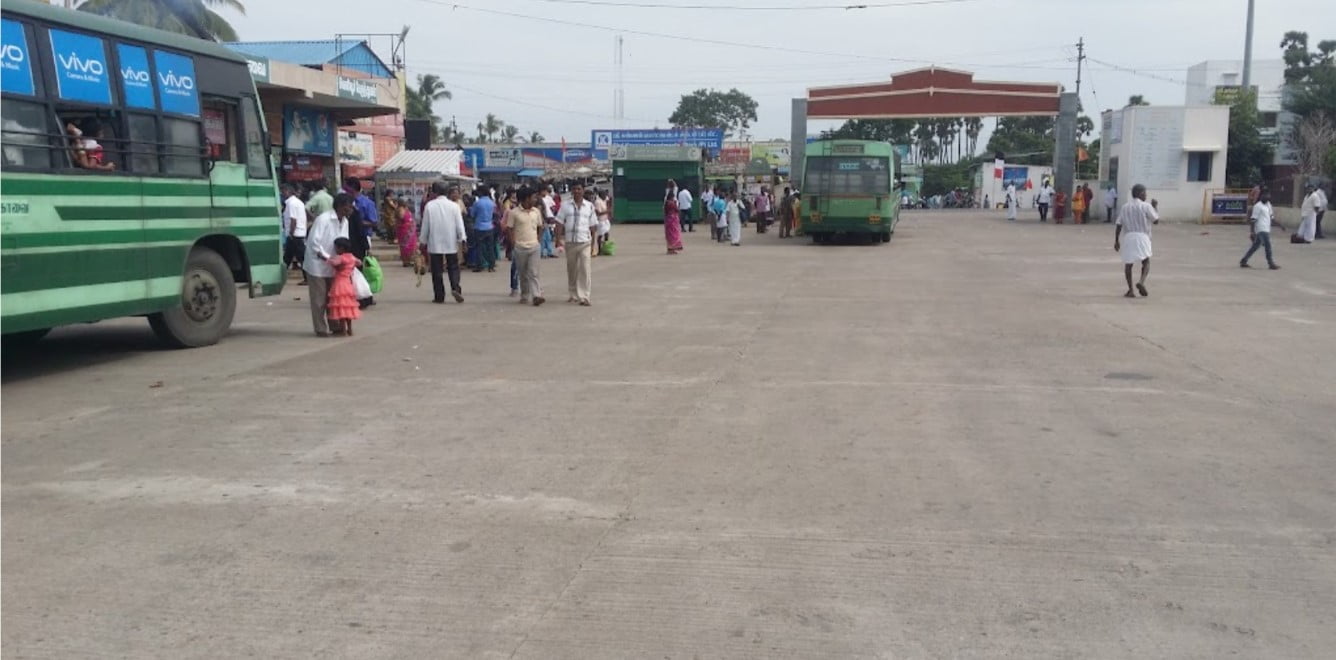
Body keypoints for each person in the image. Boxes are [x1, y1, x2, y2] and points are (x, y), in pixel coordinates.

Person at [303, 193, 352, 337]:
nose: (350, 209)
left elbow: (345, 242)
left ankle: (336, 326)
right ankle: (320, 328)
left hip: (335, 265)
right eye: (348, 206)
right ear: (340, 206)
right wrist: (326, 257)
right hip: (317, 264)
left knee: (333, 298)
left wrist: (344, 261)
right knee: (319, 299)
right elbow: (314, 243)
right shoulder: (323, 219)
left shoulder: (345, 222)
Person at [419, 182, 467, 304]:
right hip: (450, 242)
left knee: (437, 270)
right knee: (453, 267)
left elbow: (425, 226)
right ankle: (455, 287)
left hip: (434, 243)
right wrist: (463, 239)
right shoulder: (454, 206)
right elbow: (459, 225)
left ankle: (439, 296)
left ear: (435, 192)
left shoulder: (429, 206)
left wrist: (422, 241)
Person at [556, 182, 598, 306]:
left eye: (579, 189)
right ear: (571, 191)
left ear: (583, 191)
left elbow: (593, 226)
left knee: (585, 269)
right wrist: (558, 239)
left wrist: (595, 243)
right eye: (574, 189)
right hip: (570, 242)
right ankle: (573, 294)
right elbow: (559, 223)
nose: (577, 191)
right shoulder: (565, 206)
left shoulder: (589, 206)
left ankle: (585, 296)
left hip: (585, 241)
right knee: (572, 269)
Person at [1114, 184, 1158, 298]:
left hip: (1129, 237)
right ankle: (1141, 282)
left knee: (1128, 264)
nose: (1146, 195)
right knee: (1146, 261)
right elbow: (1156, 220)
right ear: (1140, 194)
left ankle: (1130, 290)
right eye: (1144, 193)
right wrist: (1155, 207)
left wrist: (1116, 240)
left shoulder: (1125, 207)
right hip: (1143, 236)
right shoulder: (1146, 206)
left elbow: (1119, 224)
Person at [506, 186, 546, 306]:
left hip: (534, 246)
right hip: (520, 247)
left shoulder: (536, 212)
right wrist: (513, 243)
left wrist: (538, 239)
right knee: (523, 273)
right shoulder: (514, 213)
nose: (535, 199)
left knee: (534, 272)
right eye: (533, 197)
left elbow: (540, 226)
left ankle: (536, 295)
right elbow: (510, 229)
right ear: (526, 199)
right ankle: (524, 295)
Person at [323, 237, 362, 336]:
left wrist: (323, 257)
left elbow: (334, 262)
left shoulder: (341, 258)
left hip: (339, 283)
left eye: (336, 247)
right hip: (348, 283)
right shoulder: (352, 257)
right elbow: (359, 262)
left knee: (340, 307)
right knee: (348, 306)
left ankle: (343, 330)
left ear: (341, 248)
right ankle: (350, 329)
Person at [1240, 189, 1282, 270]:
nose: (1267, 196)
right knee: (1268, 246)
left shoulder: (1268, 205)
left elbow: (1271, 217)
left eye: (1268, 195)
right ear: (1261, 196)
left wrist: (1280, 225)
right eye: (1265, 195)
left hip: (1266, 228)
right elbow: (1253, 220)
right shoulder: (1258, 206)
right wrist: (1252, 232)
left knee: (1255, 246)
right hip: (1261, 229)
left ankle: (1244, 260)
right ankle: (1271, 263)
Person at [342, 177, 378, 261]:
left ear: (353, 188)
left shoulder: (367, 203)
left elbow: (374, 222)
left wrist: (358, 222)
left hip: (363, 237)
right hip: (349, 236)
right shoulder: (345, 202)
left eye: (347, 189)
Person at [282, 184, 309, 283]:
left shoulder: (291, 204)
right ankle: (280, 277)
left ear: (288, 191)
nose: (282, 194)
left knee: (300, 257)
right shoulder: (299, 202)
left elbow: (293, 220)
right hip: (299, 233)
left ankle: (307, 278)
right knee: (288, 257)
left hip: (295, 234)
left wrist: (291, 233)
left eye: (283, 191)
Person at [470, 186, 498, 272]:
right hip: (489, 226)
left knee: (479, 247)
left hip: (479, 227)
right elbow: (494, 214)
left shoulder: (477, 203)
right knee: (490, 247)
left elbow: (472, 215)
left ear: (480, 193)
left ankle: (480, 266)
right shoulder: (492, 203)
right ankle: (491, 266)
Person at [391, 194, 418, 267]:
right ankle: (406, 261)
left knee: (411, 246)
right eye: (406, 202)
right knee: (405, 246)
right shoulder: (400, 209)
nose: (407, 203)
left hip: (410, 231)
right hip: (404, 231)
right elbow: (401, 217)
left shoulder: (406, 209)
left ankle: (409, 260)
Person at [664, 188, 684, 255]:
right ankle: (672, 249)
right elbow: (677, 210)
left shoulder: (666, 203)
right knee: (674, 234)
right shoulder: (672, 203)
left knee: (669, 235)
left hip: (668, 220)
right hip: (673, 220)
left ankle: (669, 249)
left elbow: (665, 212)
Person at [540, 186, 558, 258]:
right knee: (543, 237)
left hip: (548, 218)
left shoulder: (548, 198)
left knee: (548, 236)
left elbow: (553, 206)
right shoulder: (538, 199)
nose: (545, 192)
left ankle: (549, 251)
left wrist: (552, 213)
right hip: (542, 219)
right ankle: (542, 252)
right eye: (544, 191)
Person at [594, 189, 611, 256]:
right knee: (600, 235)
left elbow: (609, 199)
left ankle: (606, 248)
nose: (605, 196)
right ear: (600, 195)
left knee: (607, 234)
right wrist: (607, 211)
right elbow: (598, 213)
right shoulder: (597, 202)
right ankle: (599, 249)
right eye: (604, 195)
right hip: (600, 221)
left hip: (605, 220)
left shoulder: (604, 199)